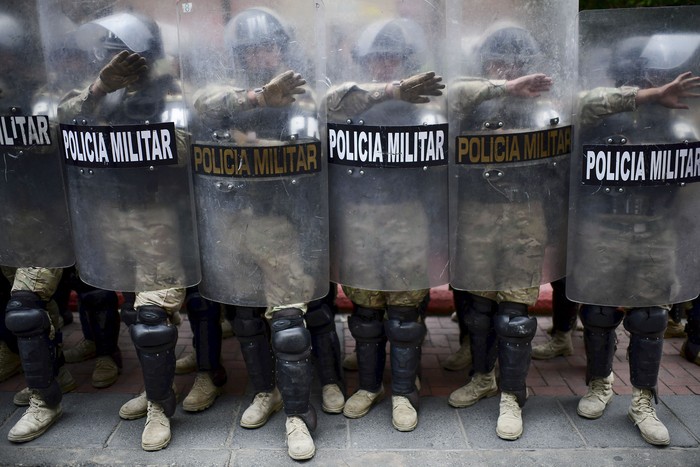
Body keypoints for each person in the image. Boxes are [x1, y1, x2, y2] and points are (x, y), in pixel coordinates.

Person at [187, 7, 343, 460]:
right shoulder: (231, 90)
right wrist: (257, 98)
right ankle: (265, 391)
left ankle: (299, 413)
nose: (259, 54)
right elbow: (204, 104)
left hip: (288, 224)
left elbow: (318, 126)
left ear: (283, 47)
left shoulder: (305, 90)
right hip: (236, 220)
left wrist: (258, 144)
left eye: (267, 46)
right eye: (249, 49)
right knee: (246, 318)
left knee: (291, 324)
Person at [58, 10, 201, 451]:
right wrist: (102, 89)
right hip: (113, 218)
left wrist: (134, 124)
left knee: (154, 319)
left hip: (159, 219)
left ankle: (160, 408)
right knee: (134, 313)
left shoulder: (171, 92)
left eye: (120, 56)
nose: (112, 61)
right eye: (106, 57)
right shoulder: (101, 93)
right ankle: (152, 389)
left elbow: (182, 146)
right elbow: (62, 119)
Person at [569, 28, 700, 446]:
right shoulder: (601, 110)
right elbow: (579, 104)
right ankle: (599, 383)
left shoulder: (677, 118)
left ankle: (644, 399)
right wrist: (643, 96)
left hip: (653, 228)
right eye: (645, 76)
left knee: (650, 319)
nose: (655, 83)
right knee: (599, 313)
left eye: (659, 76)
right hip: (604, 226)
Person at [446, 20, 574, 442]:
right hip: (477, 215)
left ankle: (512, 395)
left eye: (514, 62)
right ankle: (483, 376)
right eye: (497, 61)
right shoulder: (471, 99)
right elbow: (450, 92)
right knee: (479, 309)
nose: (505, 68)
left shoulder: (545, 106)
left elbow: (558, 171)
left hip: (524, 215)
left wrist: (555, 226)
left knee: (515, 314)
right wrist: (501, 88)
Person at [325, 16, 446, 433]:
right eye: (376, 58)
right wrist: (390, 90)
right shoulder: (352, 95)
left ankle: (403, 393)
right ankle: (371, 386)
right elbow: (331, 103)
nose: (383, 65)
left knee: (404, 312)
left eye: (392, 58)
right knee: (365, 312)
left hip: (406, 215)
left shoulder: (428, 103)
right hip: (359, 215)